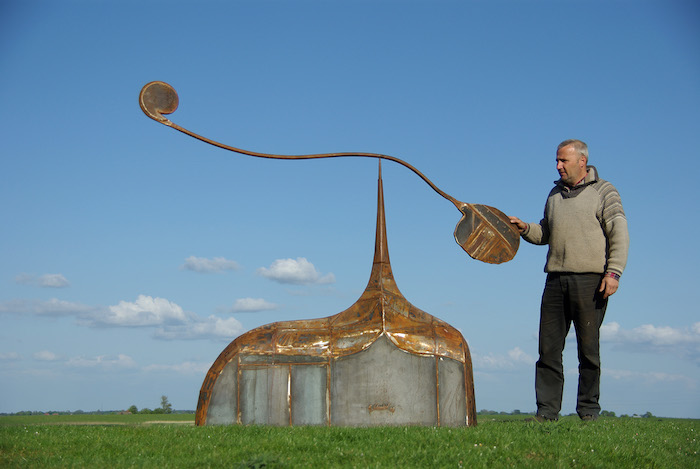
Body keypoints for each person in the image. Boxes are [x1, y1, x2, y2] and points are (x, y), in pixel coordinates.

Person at [509, 139, 629, 422]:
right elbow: (546, 233)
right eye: (557, 160)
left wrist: (613, 273)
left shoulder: (604, 191)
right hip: (555, 281)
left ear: (582, 161)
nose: (558, 165)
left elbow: (619, 233)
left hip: (591, 281)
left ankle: (588, 411)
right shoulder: (554, 194)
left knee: (588, 351)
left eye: (563, 160)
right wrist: (525, 228)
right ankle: (547, 413)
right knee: (548, 350)